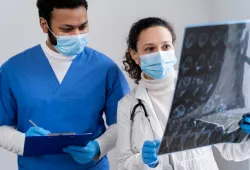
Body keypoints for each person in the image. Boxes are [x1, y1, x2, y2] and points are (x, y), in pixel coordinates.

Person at [0, 0, 129, 170]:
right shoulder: (13, 70)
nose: (77, 35)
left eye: (83, 27)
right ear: (44, 25)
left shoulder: (106, 69)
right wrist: (23, 142)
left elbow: (123, 123)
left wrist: (98, 147)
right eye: (67, 29)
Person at [116, 17, 250, 170]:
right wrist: (144, 160)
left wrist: (246, 136)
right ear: (134, 55)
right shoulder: (127, 105)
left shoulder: (200, 90)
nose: (159, 54)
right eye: (150, 49)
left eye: (165, 46)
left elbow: (231, 151)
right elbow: (123, 164)